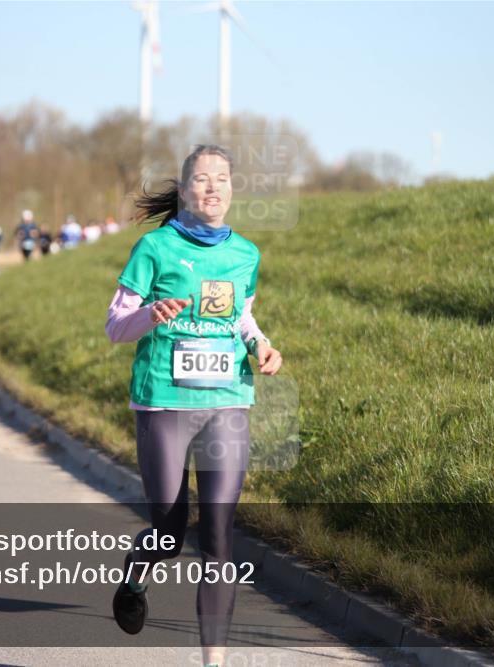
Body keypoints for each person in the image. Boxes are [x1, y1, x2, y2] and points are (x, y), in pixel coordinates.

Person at [105, 145, 282, 667]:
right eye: (202, 179)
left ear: (232, 189)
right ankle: (136, 576)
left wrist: (261, 345)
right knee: (168, 533)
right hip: (165, 401)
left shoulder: (246, 254)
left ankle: (213, 662)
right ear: (184, 191)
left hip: (227, 400)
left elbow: (241, 317)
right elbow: (115, 326)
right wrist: (151, 315)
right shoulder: (154, 248)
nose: (213, 187)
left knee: (220, 535)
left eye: (222, 178)